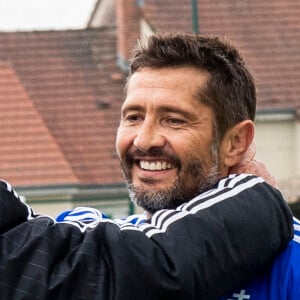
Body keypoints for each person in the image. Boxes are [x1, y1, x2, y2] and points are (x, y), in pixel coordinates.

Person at [0, 33, 295, 299]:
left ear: (235, 143)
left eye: (174, 120)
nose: (143, 140)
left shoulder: (291, 258)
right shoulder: (82, 235)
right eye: (133, 117)